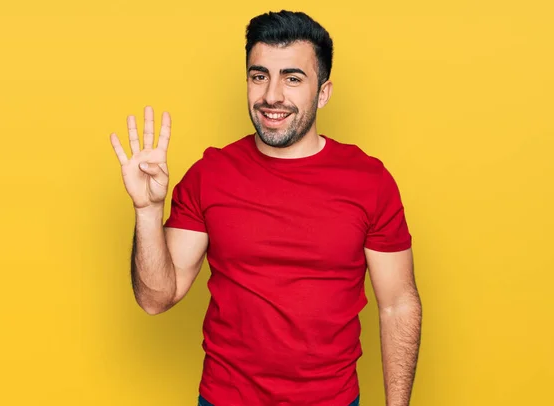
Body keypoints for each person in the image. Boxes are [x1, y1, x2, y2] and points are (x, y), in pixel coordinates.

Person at [110, 10, 422, 406]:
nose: (272, 95)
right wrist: (148, 211)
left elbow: (397, 303)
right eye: (260, 76)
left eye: (292, 78)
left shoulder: (370, 181)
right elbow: (156, 298)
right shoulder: (210, 175)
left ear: (323, 92)